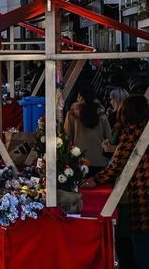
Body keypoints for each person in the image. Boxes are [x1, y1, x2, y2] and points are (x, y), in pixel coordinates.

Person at [82, 95, 149, 268]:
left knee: (142, 242)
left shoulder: (132, 132)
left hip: (143, 193)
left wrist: (95, 179)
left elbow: (116, 165)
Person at [65, 102, 112, 171]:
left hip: (79, 158)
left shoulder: (72, 115)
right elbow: (109, 136)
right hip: (99, 159)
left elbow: (67, 137)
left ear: (81, 98)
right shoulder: (102, 115)